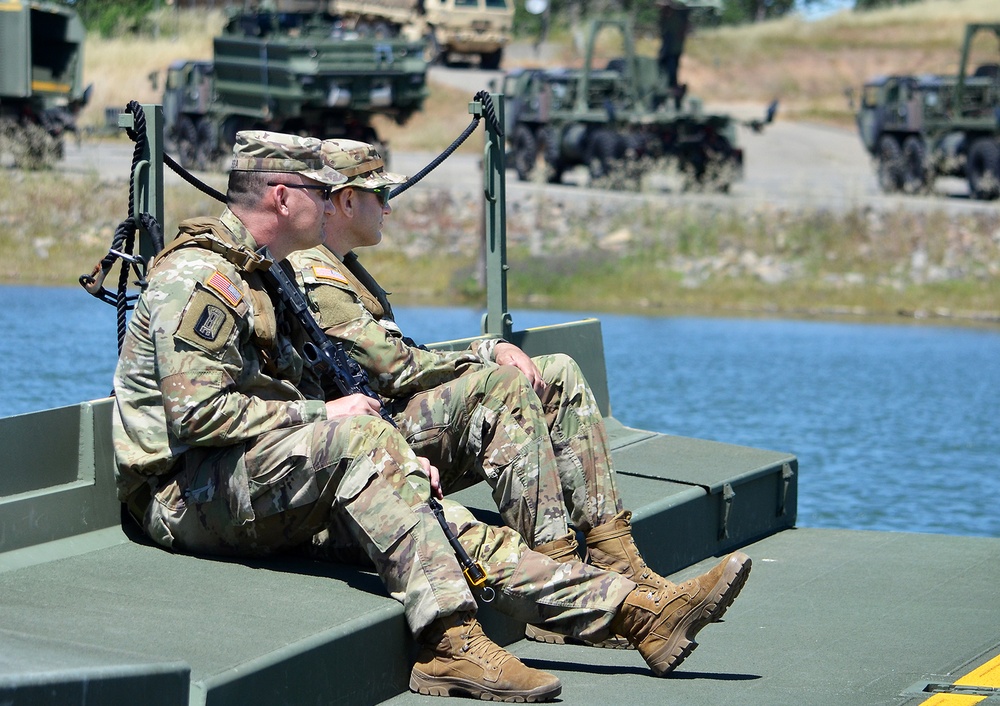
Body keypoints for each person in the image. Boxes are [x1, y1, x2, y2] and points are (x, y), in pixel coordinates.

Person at [111, 130, 753, 701]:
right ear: (283, 197)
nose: (335, 202)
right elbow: (196, 415)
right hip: (181, 493)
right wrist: (333, 422)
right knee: (370, 443)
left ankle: (637, 614)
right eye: (322, 190)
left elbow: (307, 397)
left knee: (448, 524)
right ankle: (449, 638)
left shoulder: (264, 272)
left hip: (259, 474)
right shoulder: (201, 279)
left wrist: (380, 446)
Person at [286, 138, 747, 648]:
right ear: (348, 201)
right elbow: (392, 367)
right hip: (365, 448)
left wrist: (490, 351)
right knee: (501, 387)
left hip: (385, 424)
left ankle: (618, 561)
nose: (390, 207)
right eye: (380, 195)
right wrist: (485, 353)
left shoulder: (343, 267)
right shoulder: (314, 272)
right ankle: (561, 582)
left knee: (557, 373)